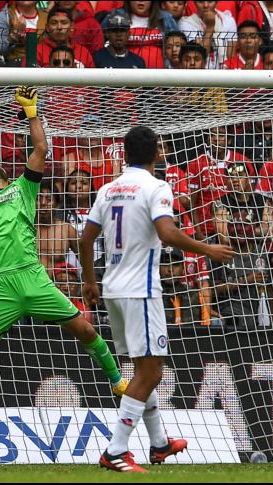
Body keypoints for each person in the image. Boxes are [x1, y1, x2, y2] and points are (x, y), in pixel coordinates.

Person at [0, 87, 128, 428]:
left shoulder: (24, 189)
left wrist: (32, 112)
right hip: (1, 285)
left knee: (86, 330)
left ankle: (117, 380)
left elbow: (41, 148)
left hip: (34, 277)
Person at [79, 125, 234, 473]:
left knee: (140, 370)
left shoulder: (108, 189)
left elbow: (86, 239)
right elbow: (166, 232)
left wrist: (90, 280)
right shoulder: (157, 187)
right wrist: (206, 247)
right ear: (157, 154)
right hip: (142, 290)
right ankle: (116, 450)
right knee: (151, 372)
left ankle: (159, 443)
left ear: (125, 152)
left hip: (112, 288)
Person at [102, 1, 179, 69]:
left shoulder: (165, 18)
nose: (141, 1)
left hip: (160, 79)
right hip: (123, 76)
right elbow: (99, 42)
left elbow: (178, 44)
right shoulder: (115, 16)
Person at [178, 0, 238, 69]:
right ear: (194, 3)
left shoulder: (228, 21)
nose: (206, 5)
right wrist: (210, 28)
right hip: (200, 74)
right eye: (201, 2)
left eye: (210, 1)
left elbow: (231, 57)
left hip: (224, 72)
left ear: (216, 2)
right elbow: (198, 55)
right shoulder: (186, 23)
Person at [37, 180, 76, 271]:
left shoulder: (66, 229)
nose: (43, 203)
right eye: (38, 199)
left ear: (57, 205)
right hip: (28, 284)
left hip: (56, 285)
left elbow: (86, 260)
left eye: (49, 199)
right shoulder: (23, 228)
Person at [159, 247, 202, 325]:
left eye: (175, 264)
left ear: (183, 269)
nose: (170, 269)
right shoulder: (153, 295)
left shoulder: (193, 294)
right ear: (158, 268)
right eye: (166, 263)